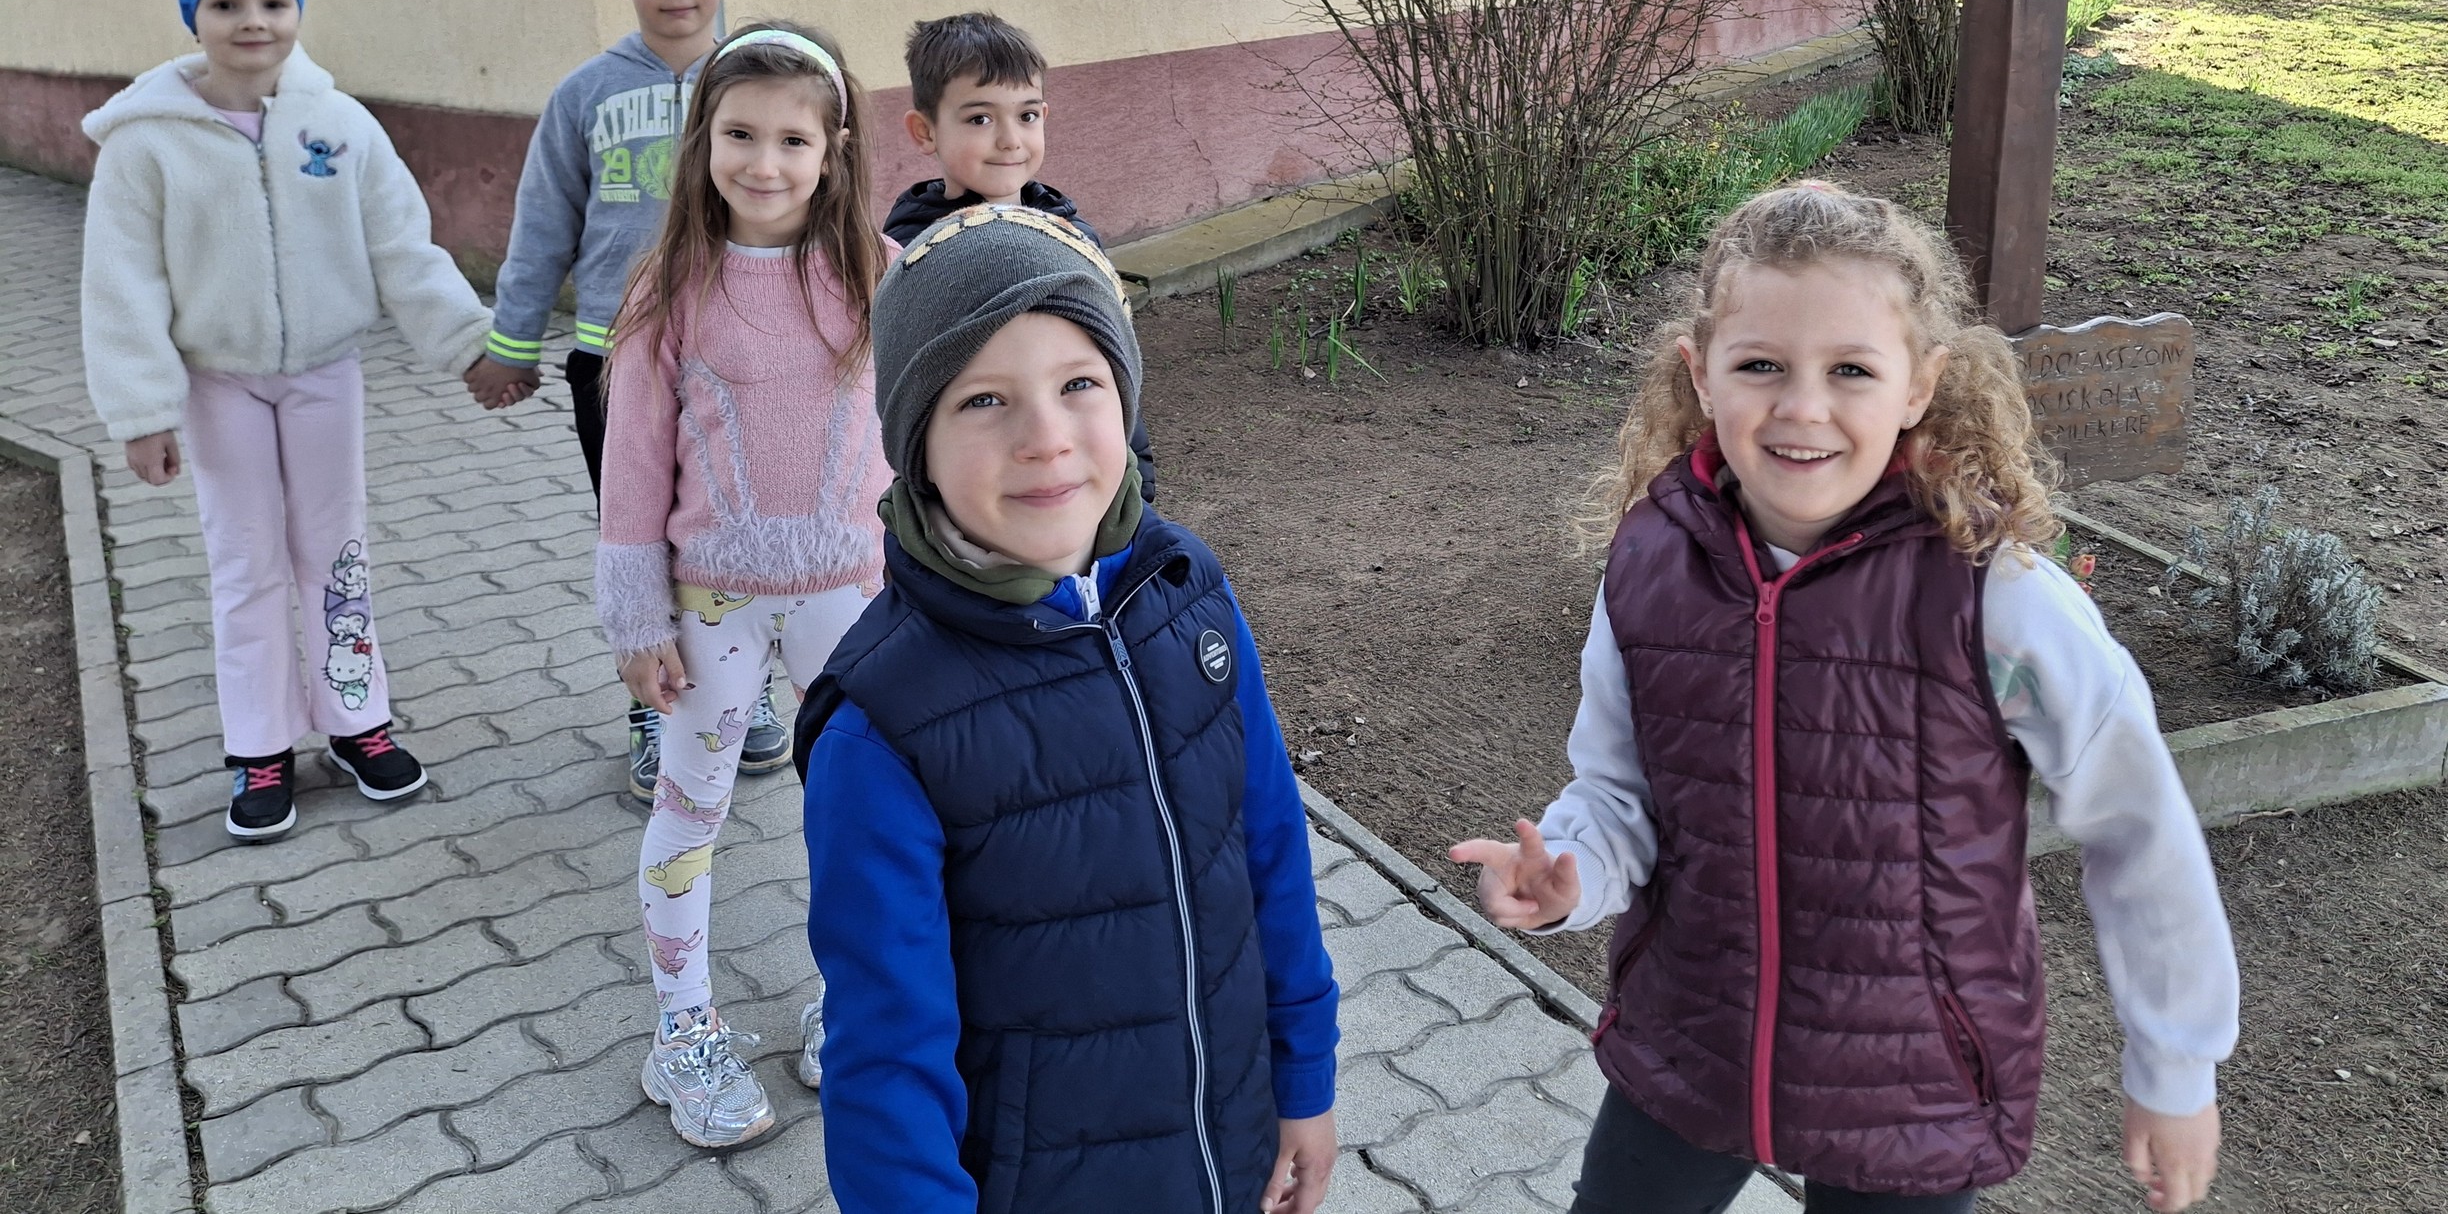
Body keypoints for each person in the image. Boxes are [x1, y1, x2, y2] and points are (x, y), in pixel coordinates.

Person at [1451, 183, 2238, 1214]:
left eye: (1851, 370)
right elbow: (1618, 792)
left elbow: (2140, 828)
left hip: (1911, 1083)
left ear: (1921, 385)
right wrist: (1568, 876)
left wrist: (2175, 1068)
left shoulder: (1996, 599)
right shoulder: (1647, 567)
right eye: (1761, 366)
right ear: (1701, 373)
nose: (1803, 408)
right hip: (1692, 1042)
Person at [796, 206, 1340, 1214]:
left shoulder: (1188, 591)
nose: (1045, 439)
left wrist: (1303, 1077)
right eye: (984, 399)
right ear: (917, 447)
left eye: (1079, 384)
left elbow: (1270, 849)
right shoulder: (882, 731)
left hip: (1232, 1147)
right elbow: (884, 1060)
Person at [80, 0, 496, 842]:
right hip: (216, 383)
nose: (252, 21)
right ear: (193, 15)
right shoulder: (145, 143)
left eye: (273, 1)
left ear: (298, 10)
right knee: (246, 562)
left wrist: (470, 345)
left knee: (334, 552)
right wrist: (142, 410)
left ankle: (357, 720)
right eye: (226, 3)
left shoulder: (339, 125)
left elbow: (402, 246)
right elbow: (120, 281)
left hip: (323, 375)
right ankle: (260, 745)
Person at [593, 20, 893, 1149]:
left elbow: (920, 431)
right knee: (690, 807)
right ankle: (682, 1028)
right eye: (740, 135)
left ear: (834, 148)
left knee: (856, 812)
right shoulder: (668, 287)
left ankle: (848, 1003)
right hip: (708, 603)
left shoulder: (878, 273)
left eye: (793, 140)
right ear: (703, 140)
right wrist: (636, 618)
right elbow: (631, 466)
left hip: (852, 602)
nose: (764, 163)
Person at [469, 0, 791, 796]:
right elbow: (542, 225)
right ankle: (653, 703)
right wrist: (511, 343)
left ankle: (743, 691)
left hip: (739, 352)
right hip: (617, 358)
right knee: (638, 533)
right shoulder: (585, 95)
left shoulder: (759, 86)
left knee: (736, 524)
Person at [882, 10, 1155, 500]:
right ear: (925, 131)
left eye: (1026, 116)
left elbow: (1113, 368)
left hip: (1079, 481)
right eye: (980, 118)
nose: (1010, 140)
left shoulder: (1074, 237)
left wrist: (1139, 483)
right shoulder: (912, 256)